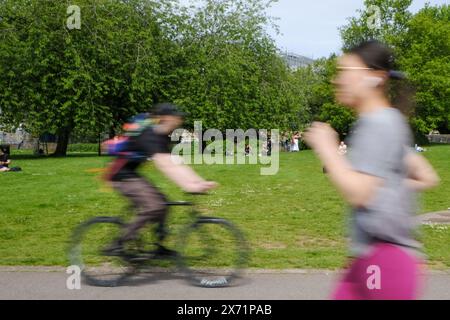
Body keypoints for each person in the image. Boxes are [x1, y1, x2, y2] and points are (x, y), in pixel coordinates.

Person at [304, 40, 440, 300]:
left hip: (387, 263)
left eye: (345, 72)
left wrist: (328, 150)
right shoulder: (380, 122)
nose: (337, 80)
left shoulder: (380, 122)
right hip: (370, 257)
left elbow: (360, 194)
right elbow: (422, 175)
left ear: (375, 78)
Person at [105, 103, 217, 255]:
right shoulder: (149, 135)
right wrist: (188, 186)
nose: (179, 121)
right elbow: (164, 164)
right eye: (176, 117)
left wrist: (198, 181)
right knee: (154, 206)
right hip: (120, 175)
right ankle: (118, 243)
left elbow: (176, 162)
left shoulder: (162, 136)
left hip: (132, 173)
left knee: (163, 203)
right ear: (165, 118)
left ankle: (158, 247)